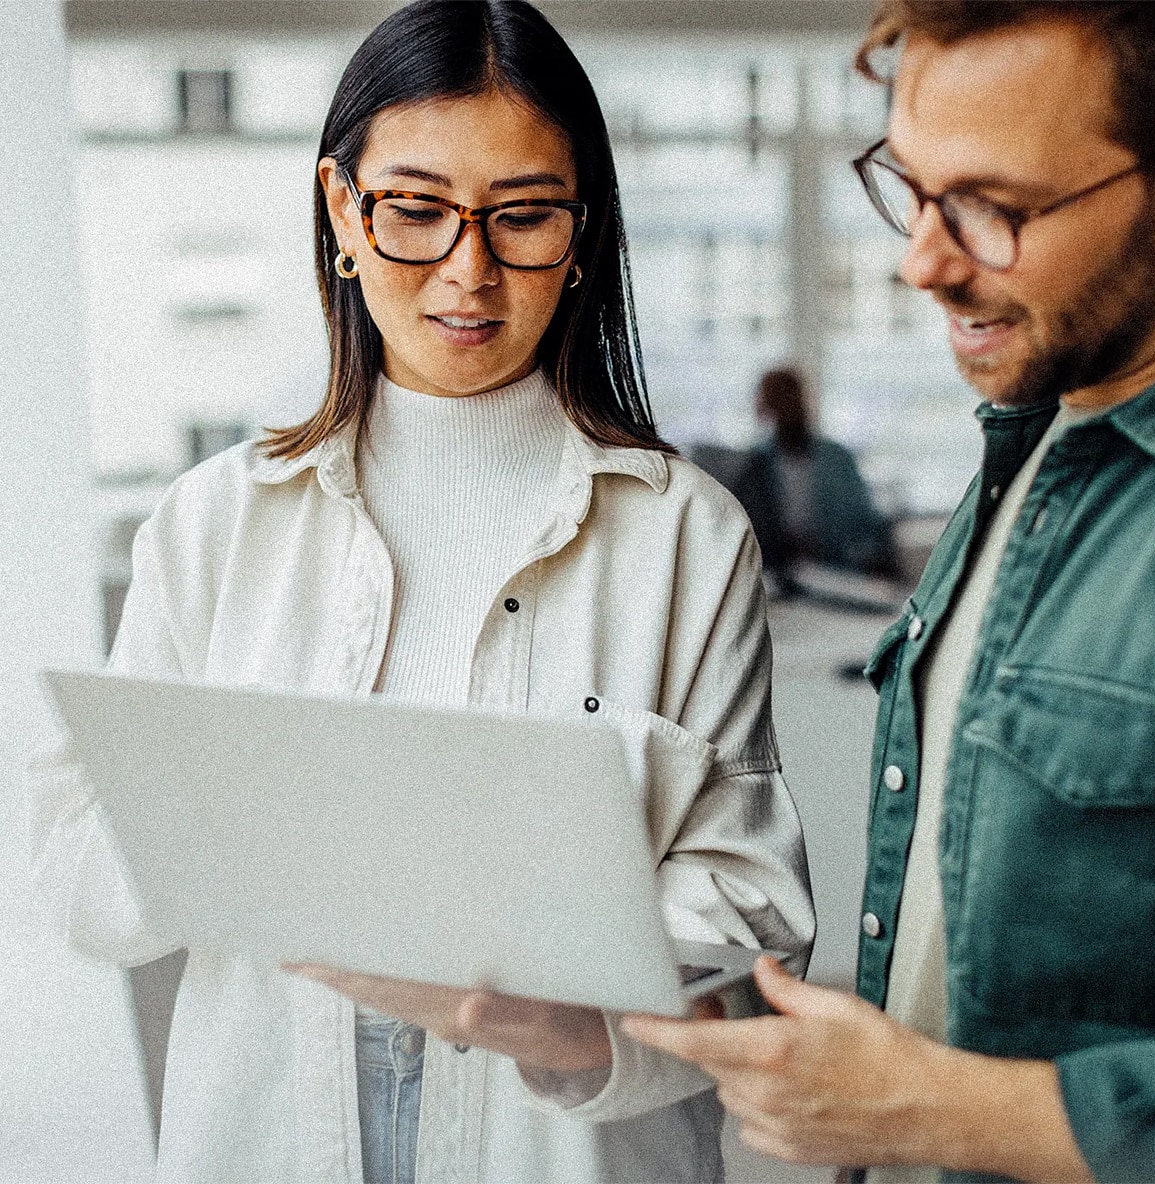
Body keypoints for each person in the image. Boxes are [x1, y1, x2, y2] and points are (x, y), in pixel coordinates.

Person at [29, 3, 815, 1181]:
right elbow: (82, 885)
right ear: (344, 211)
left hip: (567, 1143)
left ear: (582, 230)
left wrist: (559, 1018)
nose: (469, 269)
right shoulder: (211, 524)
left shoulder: (685, 537)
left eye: (523, 216)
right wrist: (250, 812)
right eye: (415, 208)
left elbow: (750, 927)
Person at [625, 3, 1155, 1181]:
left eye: (993, 208)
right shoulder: (1034, 446)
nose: (921, 259)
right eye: (910, 187)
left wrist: (945, 1112)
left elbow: (945, 1092)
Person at [750, 367, 900, 583]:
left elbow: (866, 524)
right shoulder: (758, 461)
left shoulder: (836, 458)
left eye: (790, 399)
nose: (787, 409)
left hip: (838, 571)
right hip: (779, 575)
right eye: (778, 402)